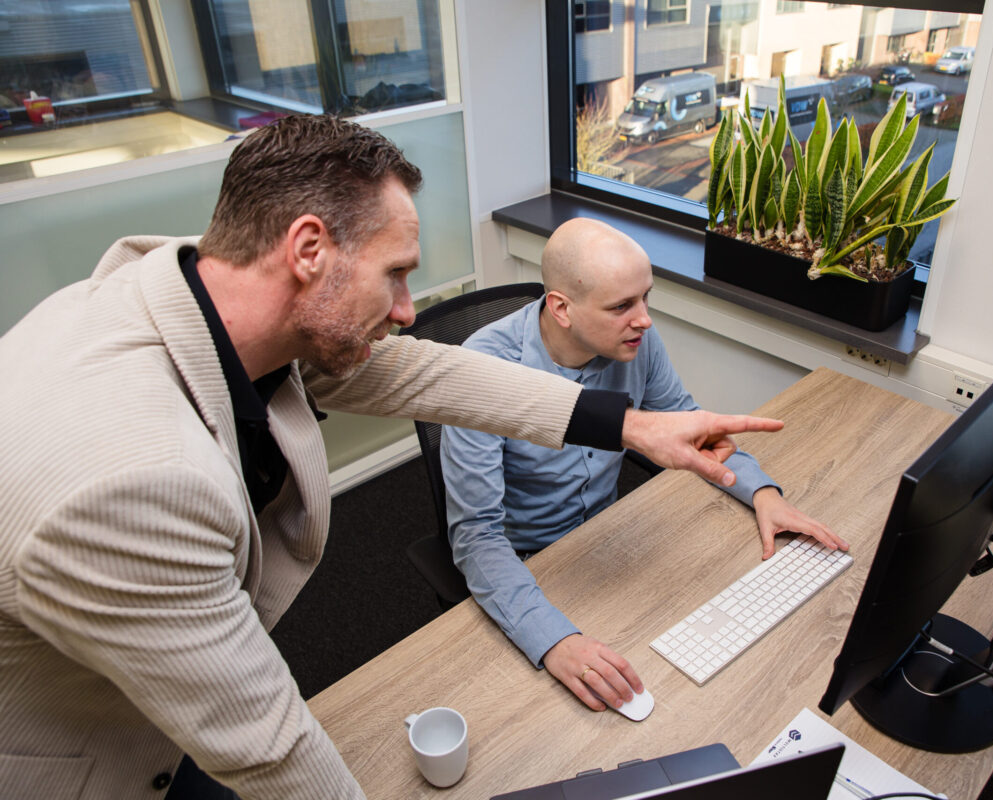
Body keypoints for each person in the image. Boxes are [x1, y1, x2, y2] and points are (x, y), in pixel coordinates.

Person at [0, 116, 786, 800]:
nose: (411, 312)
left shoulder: (199, 285)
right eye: (396, 276)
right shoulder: (132, 482)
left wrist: (628, 427)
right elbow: (268, 742)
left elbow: (417, 368)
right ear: (308, 248)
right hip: (93, 759)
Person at [441, 218, 848, 715]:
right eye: (622, 307)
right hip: (532, 562)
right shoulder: (482, 371)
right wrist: (553, 642)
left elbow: (691, 426)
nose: (645, 320)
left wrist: (766, 495)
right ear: (561, 309)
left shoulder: (634, 341)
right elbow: (477, 535)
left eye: (645, 299)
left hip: (613, 539)